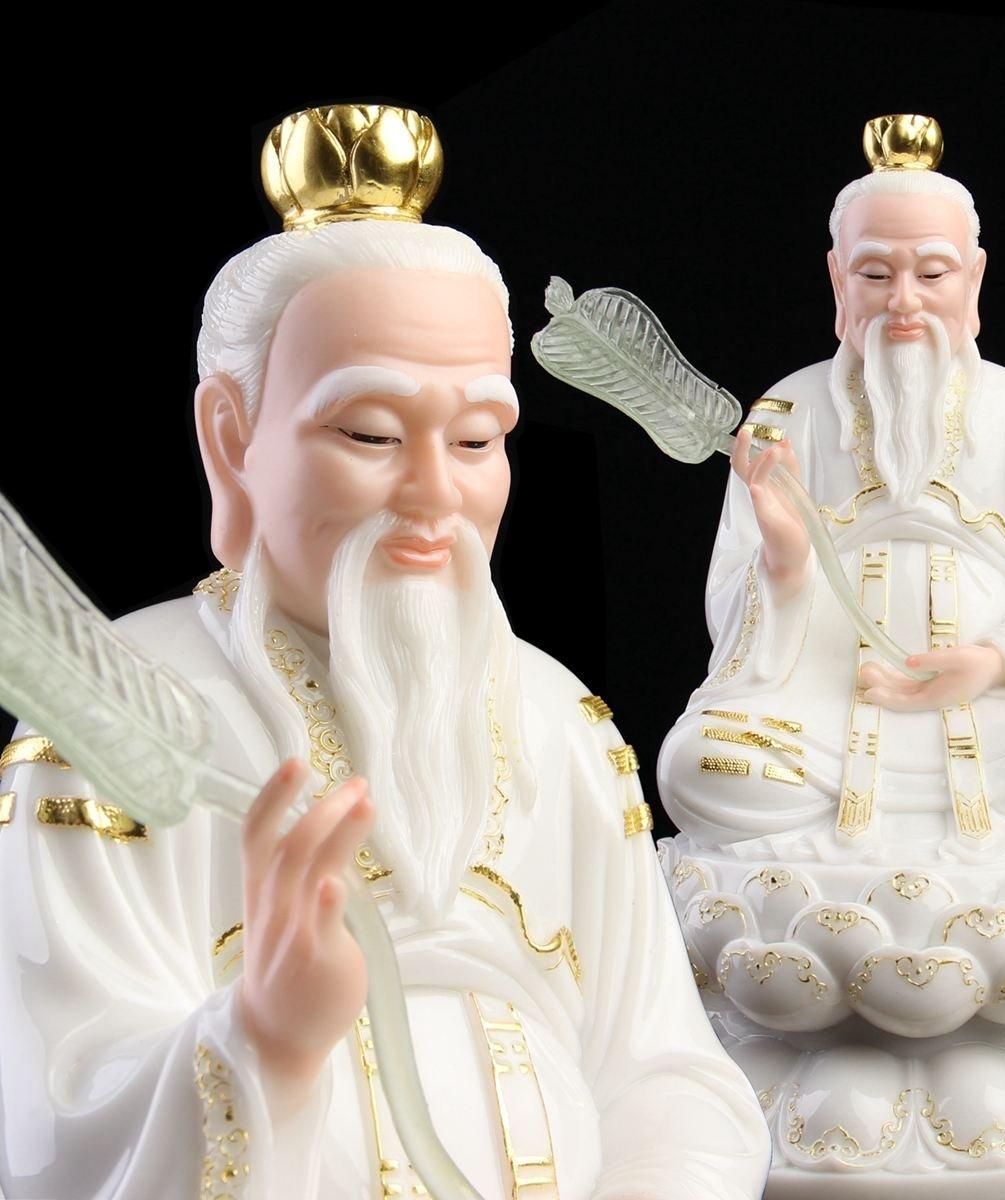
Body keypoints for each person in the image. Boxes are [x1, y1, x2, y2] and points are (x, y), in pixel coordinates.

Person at [0, 104, 769, 1200]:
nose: (433, 494)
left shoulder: (559, 720)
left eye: (477, 439)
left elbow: (666, 1071)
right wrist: (261, 1039)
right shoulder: (112, 718)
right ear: (232, 438)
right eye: (369, 434)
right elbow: (57, 1121)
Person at [658, 114, 1005, 860]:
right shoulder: (784, 414)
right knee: (700, 761)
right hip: (821, 714)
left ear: (973, 279)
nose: (903, 301)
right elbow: (727, 609)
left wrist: (990, 662)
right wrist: (786, 561)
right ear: (838, 279)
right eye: (875, 274)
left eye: (931, 274)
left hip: (994, 716)